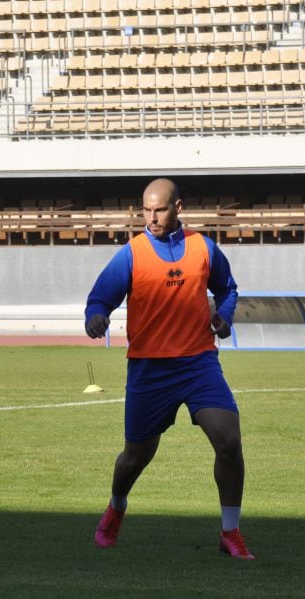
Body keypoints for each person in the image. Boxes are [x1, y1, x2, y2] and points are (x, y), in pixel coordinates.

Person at [84, 178, 254, 560]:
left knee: (228, 440)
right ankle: (116, 506)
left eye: (159, 209)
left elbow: (227, 290)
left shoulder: (204, 248)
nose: (151, 217)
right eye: (145, 209)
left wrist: (224, 318)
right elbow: (99, 298)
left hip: (198, 364)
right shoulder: (131, 253)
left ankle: (231, 532)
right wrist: (96, 318)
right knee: (135, 456)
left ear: (179, 208)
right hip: (149, 369)